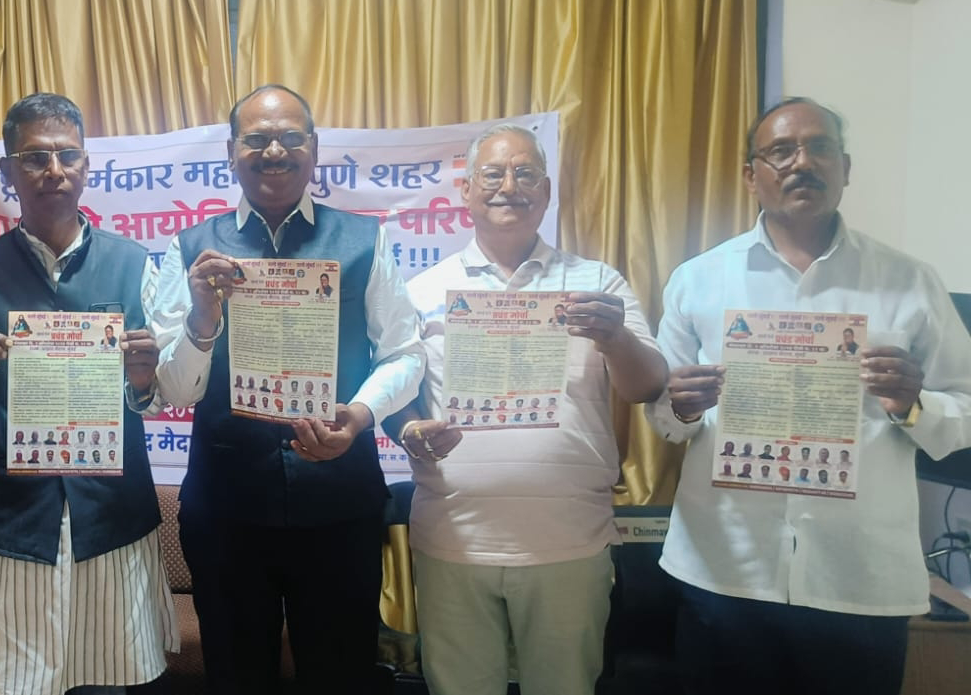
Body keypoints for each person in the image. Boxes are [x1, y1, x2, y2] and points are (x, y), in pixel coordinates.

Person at [646, 98, 971, 695]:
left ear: (845, 168)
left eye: (820, 148)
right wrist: (683, 405)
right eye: (781, 151)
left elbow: (965, 407)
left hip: (857, 579)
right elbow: (665, 417)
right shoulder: (699, 279)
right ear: (752, 176)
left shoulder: (909, 281)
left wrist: (913, 403)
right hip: (725, 571)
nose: (802, 162)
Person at [151, 84, 423, 695]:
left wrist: (360, 415)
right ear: (231, 151)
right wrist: (202, 319)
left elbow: (405, 353)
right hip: (226, 512)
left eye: (290, 138)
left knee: (340, 676)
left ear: (314, 149)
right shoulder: (191, 247)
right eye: (256, 139)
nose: (274, 151)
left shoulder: (363, 238)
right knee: (236, 676)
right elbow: (176, 390)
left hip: (340, 506)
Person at [385, 124, 667, 695]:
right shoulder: (423, 289)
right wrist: (410, 429)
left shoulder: (596, 282)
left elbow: (648, 386)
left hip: (570, 542)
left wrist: (616, 338)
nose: (509, 186)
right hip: (454, 540)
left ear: (546, 191)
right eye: (493, 173)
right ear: (466, 190)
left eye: (526, 174)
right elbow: (398, 393)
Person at [0, 93, 177, 695]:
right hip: (17, 519)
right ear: (8, 170)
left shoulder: (134, 265)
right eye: (35, 157)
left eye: (67, 155)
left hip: (113, 517)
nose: (54, 170)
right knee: (15, 683)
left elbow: (156, 398)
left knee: (111, 680)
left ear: (86, 165)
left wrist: (143, 379)